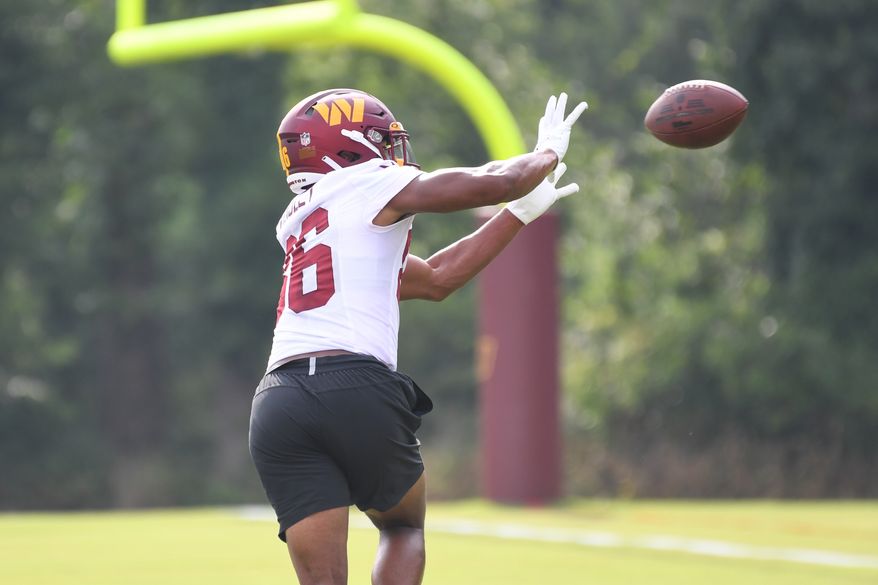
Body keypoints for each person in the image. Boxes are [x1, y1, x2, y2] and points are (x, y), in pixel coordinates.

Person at [249, 88, 587, 585]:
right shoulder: (367, 182)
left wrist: (519, 215)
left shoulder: (301, 222)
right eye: (382, 139)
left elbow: (434, 279)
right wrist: (547, 154)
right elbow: (496, 180)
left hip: (278, 403)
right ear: (350, 147)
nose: (393, 150)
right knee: (403, 527)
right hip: (353, 384)